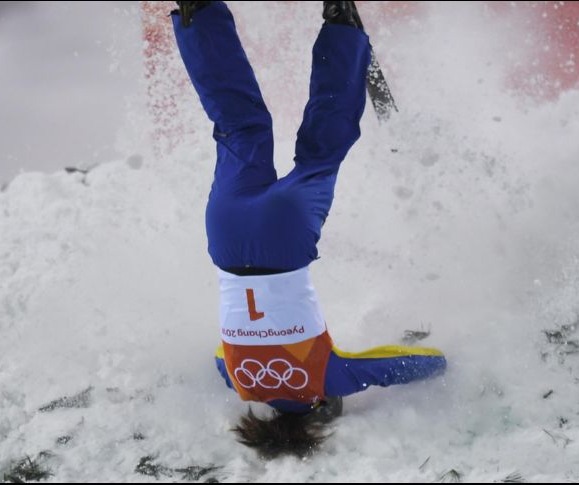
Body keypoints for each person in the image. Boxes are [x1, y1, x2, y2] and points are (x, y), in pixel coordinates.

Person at [171, 0, 447, 458]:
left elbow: (418, 364)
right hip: (225, 234)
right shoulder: (238, 381)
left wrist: (454, 356)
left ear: (322, 407)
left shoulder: (328, 378)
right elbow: (220, 357)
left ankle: (340, 26)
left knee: (322, 150)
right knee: (240, 128)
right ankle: (197, 17)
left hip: (282, 238)